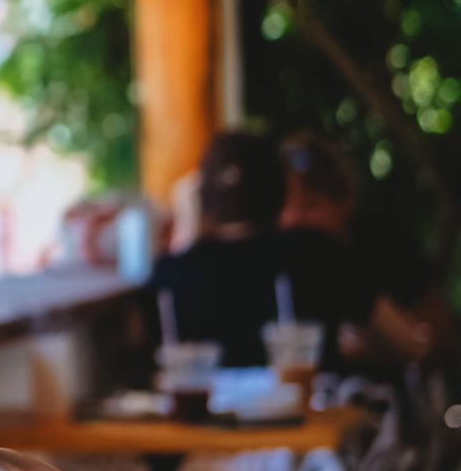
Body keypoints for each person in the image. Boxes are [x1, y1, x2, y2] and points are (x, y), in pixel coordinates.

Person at [148, 131, 372, 369]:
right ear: (279, 189)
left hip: (206, 406)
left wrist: (188, 226)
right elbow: (405, 342)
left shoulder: (170, 274)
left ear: (203, 197)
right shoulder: (318, 253)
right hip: (300, 403)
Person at [280, 132, 453, 366]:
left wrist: (383, 340)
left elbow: (433, 333)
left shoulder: (383, 243)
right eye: (285, 207)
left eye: (311, 204)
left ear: (342, 203)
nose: (294, 218)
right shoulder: (278, 260)